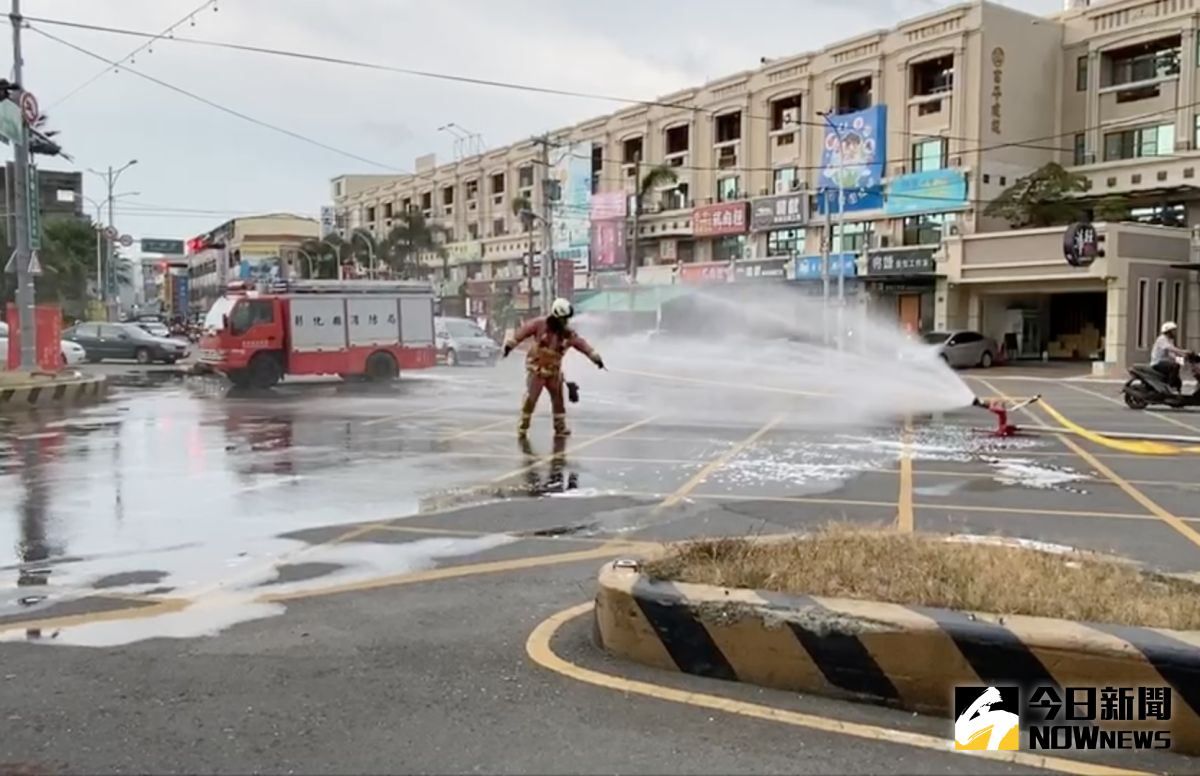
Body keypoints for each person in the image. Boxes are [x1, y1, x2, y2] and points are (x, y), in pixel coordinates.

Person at [503, 298, 604, 437]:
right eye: (563, 319)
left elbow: (582, 345)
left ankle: (560, 427)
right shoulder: (540, 324)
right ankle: (523, 425)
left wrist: (595, 357)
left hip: (554, 371)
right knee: (531, 398)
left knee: (558, 400)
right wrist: (510, 345)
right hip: (536, 369)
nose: (565, 322)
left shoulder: (568, 334)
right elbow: (523, 332)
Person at [1151, 321, 1189, 392]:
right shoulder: (1162, 339)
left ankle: (1175, 391)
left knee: (1178, 367)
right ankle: (1170, 387)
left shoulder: (1170, 340)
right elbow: (1170, 348)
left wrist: (1184, 359)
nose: (1175, 332)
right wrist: (1183, 352)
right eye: (1173, 330)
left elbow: (1171, 354)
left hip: (1165, 362)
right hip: (1158, 362)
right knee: (1175, 366)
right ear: (1168, 331)